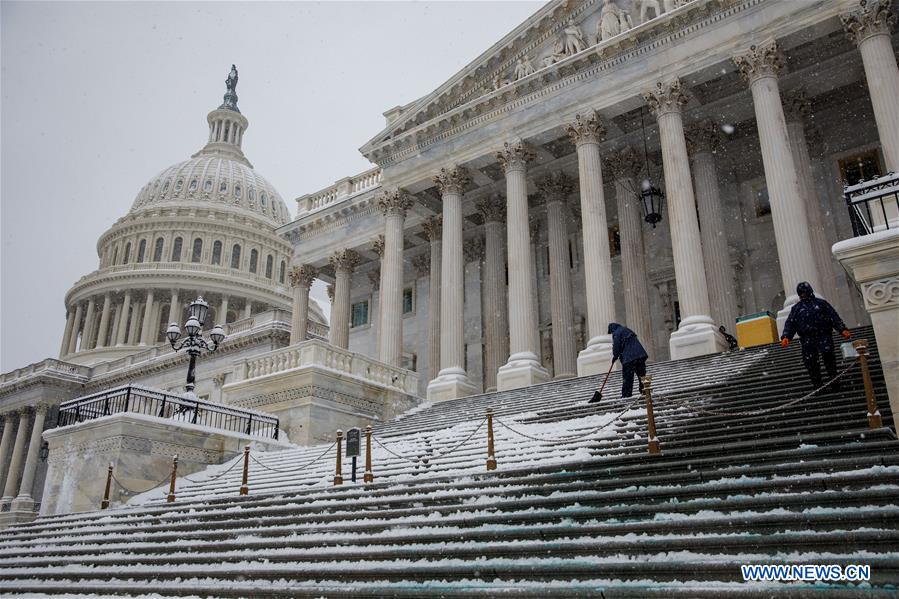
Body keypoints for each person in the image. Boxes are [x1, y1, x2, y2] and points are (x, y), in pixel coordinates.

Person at [780, 282, 851, 391]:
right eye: (801, 293)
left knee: (829, 359)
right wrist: (786, 336)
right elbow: (790, 324)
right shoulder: (797, 308)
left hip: (824, 335)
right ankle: (818, 385)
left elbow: (834, 317)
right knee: (811, 362)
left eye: (804, 292)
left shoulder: (821, 304)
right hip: (807, 338)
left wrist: (842, 329)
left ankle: (834, 381)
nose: (803, 294)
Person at [608, 322, 649, 398]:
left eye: (611, 332)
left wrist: (615, 356)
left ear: (612, 329)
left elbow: (617, 346)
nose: (612, 334)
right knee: (642, 375)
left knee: (627, 377)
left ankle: (626, 394)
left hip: (629, 358)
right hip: (640, 355)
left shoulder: (616, 333)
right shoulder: (626, 330)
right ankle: (645, 390)